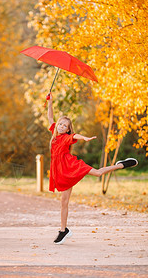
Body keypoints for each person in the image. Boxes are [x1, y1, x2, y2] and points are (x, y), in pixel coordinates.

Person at [47, 93, 138, 245]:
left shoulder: (67, 137)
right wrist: (50, 103)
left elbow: (76, 136)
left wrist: (85, 138)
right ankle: (63, 230)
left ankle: (122, 164)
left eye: (65, 126)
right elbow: (50, 118)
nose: (61, 126)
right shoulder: (54, 133)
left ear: (68, 130)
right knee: (64, 202)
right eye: (60, 124)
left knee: (97, 173)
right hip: (61, 171)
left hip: (71, 166)